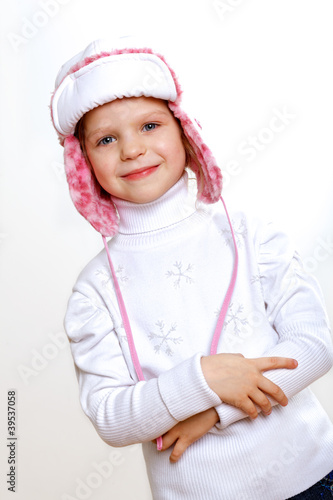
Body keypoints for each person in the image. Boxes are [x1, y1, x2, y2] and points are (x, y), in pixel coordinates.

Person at [51, 37, 333, 499]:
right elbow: (109, 414)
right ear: (83, 166)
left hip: (313, 476)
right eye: (106, 138)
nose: (132, 149)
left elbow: (315, 345)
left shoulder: (250, 236)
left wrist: (214, 410)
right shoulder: (94, 290)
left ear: (185, 131)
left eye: (149, 125)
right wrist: (202, 378)